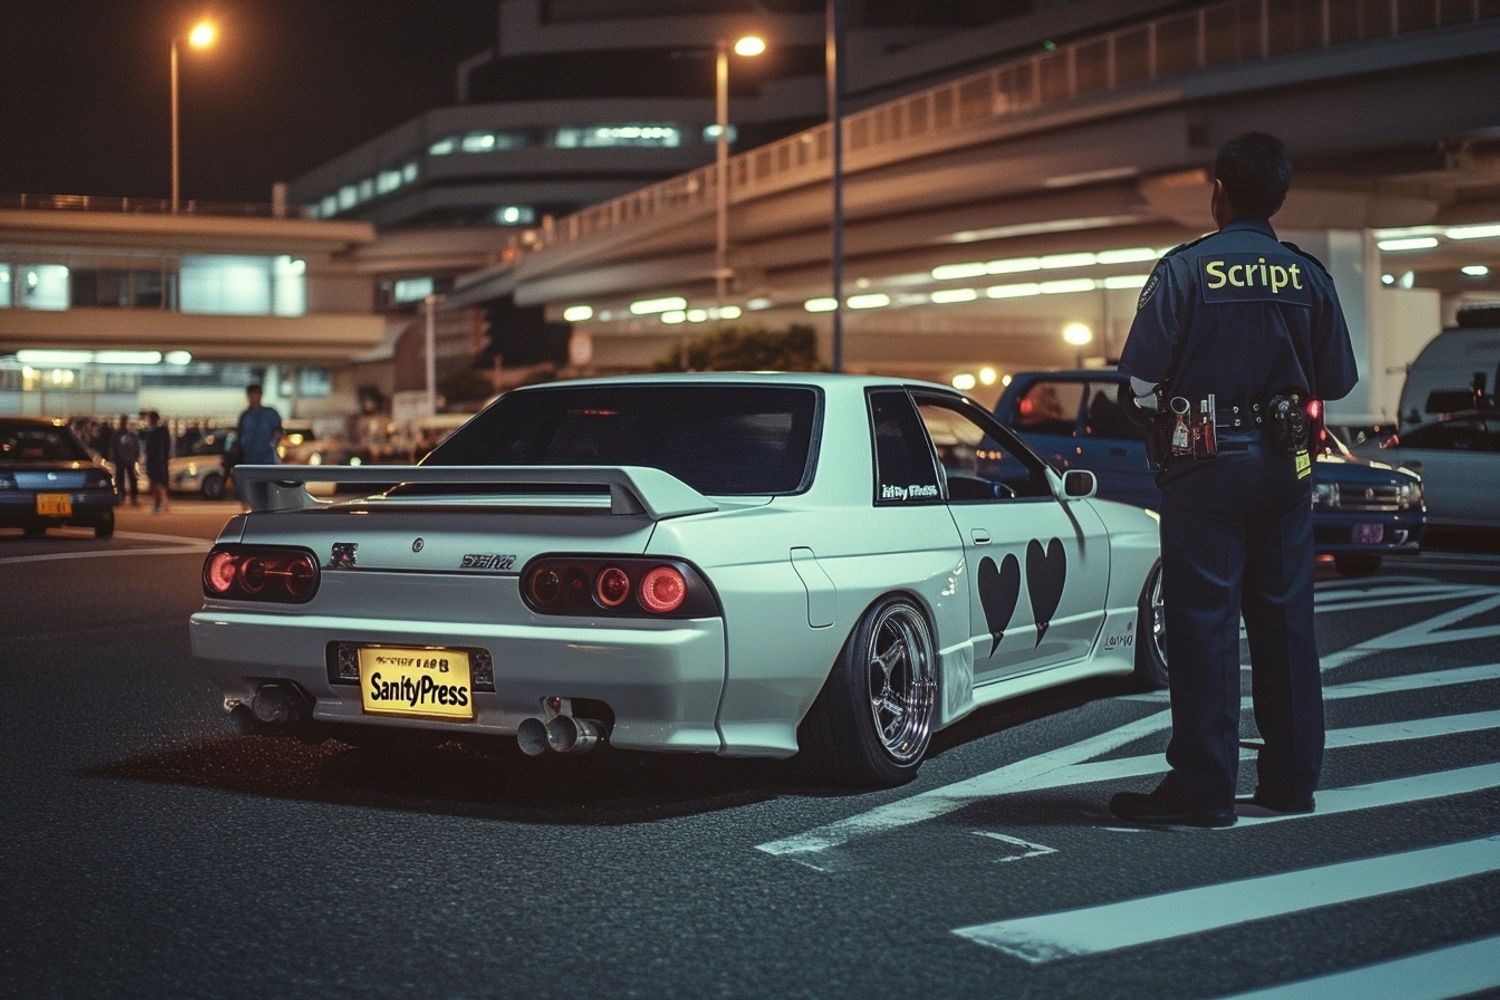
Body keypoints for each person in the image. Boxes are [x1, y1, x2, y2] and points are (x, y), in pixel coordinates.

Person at [1109, 131, 1359, 828]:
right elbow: (1337, 376)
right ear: (1278, 195)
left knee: (1204, 627)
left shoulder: (1187, 271)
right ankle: (1290, 781)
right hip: (1287, 468)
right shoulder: (1305, 274)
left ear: (1219, 192)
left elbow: (1138, 377)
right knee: (1286, 624)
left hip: (1205, 465)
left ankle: (1204, 789)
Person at [143, 410, 172, 514]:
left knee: (158, 483)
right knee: (159, 483)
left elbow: (158, 449)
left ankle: (159, 504)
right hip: (157, 461)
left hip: (157, 461)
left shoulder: (157, 432)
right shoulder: (158, 432)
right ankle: (163, 503)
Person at [110, 415, 140, 506]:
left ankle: (131, 497)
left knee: (130, 478)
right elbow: (113, 447)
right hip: (122, 459)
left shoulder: (126, 434)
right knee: (123, 479)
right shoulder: (120, 434)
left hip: (127, 459)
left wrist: (136, 456)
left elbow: (135, 446)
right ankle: (125, 496)